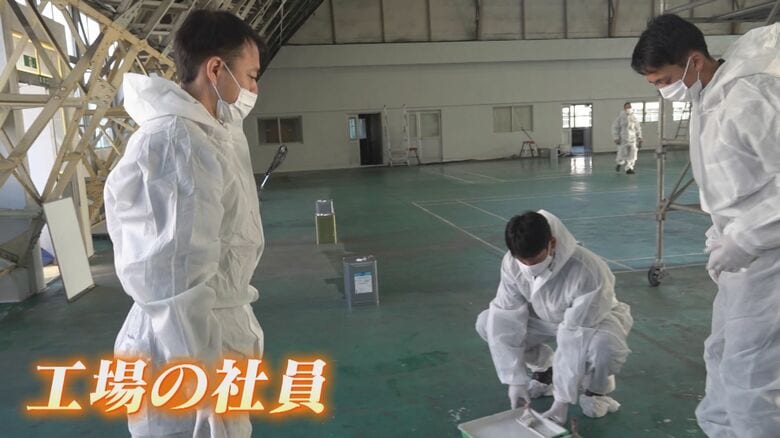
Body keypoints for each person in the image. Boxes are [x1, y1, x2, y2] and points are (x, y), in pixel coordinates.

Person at [104, 9, 265, 437]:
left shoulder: (210, 134)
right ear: (215, 69)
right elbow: (175, 282)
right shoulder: (178, 142)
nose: (254, 89)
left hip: (210, 340)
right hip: (181, 356)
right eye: (250, 76)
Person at [632, 15, 780, 437]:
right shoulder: (709, 97)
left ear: (694, 61)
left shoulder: (752, 97)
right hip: (744, 254)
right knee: (721, 351)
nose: (663, 91)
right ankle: (722, 430)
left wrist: (746, 238)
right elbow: (735, 181)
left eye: (664, 81)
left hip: (770, 256)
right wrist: (721, 232)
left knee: (753, 371)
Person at [475, 210, 633, 424]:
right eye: (522, 259)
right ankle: (544, 369)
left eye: (535, 259)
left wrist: (562, 398)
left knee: (604, 348)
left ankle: (596, 390)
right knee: (487, 322)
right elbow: (505, 315)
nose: (528, 266)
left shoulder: (587, 269)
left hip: (593, 320)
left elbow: (575, 334)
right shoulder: (511, 263)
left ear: (552, 244)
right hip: (543, 316)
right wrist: (514, 380)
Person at [611, 102, 643, 174]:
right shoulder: (620, 118)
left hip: (633, 139)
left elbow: (638, 128)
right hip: (623, 139)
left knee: (633, 154)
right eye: (627, 107)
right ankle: (619, 163)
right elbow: (615, 128)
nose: (629, 108)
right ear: (624, 108)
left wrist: (640, 137)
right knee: (622, 154)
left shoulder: (634, 118)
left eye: (630, 107)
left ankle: (629, 168)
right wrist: (616, 138)